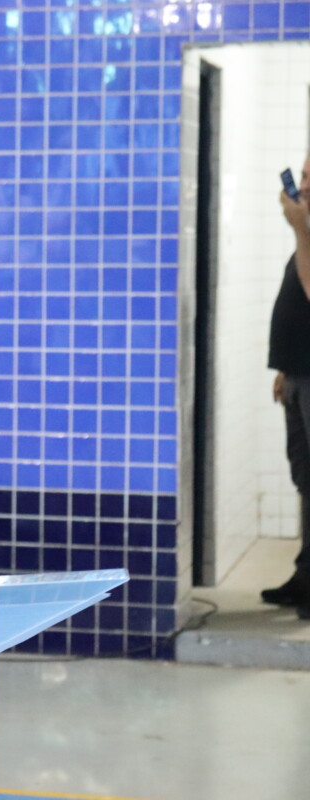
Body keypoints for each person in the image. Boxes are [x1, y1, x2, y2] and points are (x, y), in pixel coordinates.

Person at [261, 153, 310, 620]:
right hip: (299, 376)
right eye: (305, 175)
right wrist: (287, 368)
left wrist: (299, 229)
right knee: (306, 482)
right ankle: (306, 576)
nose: (305, 185)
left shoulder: (307, 236)